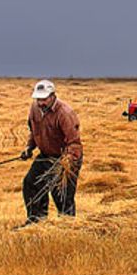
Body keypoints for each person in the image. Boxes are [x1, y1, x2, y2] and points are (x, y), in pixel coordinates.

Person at [17, 80, 83, 227]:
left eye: (44, 99)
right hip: (46, 155)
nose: (40, 103)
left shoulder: (65, 113)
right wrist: (29, 148)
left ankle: (67, 225)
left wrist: (66, 163)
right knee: (30, 183)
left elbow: (74, 143)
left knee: (61, 193)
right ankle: (36, 221)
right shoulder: (34, 109)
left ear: (53, 96)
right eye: (38, 99)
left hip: (66, 158)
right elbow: (34, 132)